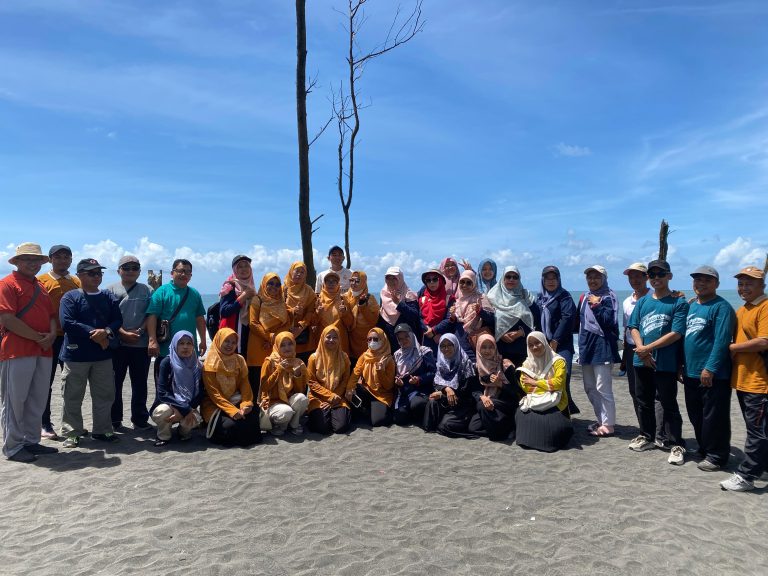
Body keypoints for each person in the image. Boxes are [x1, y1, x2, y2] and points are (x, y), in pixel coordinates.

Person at [627, 259, 689, 465]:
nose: (656, 278)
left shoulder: (678, 302)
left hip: (665, 362)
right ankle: (647, 435)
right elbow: (633, 326)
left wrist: (648, 348)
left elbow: (676, 333)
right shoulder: (643, 301)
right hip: (641, 360)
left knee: (668, 403)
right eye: (652, 275)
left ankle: (676, 443)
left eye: (660, 274)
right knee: (643, 400)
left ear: (669, 276)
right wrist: (641, 349)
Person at [0, 243, 58, 463]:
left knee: (37, 398)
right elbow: (7, 319)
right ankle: (13, 447)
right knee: (14, 401)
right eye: (27, 259)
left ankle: (31, 440)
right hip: (16, 350)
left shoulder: (40, 286)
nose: (32, 263)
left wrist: (51, 335)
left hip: (42, 350)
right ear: (17, 262)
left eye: (36, 260)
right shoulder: (7, 284)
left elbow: (51, 315)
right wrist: (39, 338)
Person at [59, 258, 123, 447]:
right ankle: (72, 432)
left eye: (99, 273)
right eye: (91, 273)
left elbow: (117, 320)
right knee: (72, 396)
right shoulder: (70, 297)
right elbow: (67, 323)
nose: (96, 276)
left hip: (103, 356)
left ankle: (102, 430)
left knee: (105, 395)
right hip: (76, 356)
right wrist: (94, 333)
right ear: (79, 275)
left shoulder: (108, 296)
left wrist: (106, 332)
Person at [682, 266, 735, 472]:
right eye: (698, 280)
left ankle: (717, 456)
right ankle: (704, 447)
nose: (701, 283)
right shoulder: (692, 306)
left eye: (707, 280)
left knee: (714, 417)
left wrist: (710, 368)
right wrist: (681, 365)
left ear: (717, 284)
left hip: (713, 374)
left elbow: (722, 340)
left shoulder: (722, 307)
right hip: (691, 372)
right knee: (696, 414)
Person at [720, 266, 768, 491]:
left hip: (759, 381)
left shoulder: (765, 306)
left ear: (762, 285)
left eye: (750, 283)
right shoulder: (743, 309)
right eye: (741, 283)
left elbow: (764, 341)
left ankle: (747, 475)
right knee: (758, 428)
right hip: (743, 379)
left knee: (756, 431)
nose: (744, 287)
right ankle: (763, 466)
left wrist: (732, 348)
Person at [37, 244, 80, 440]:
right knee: (45, 382)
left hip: (71, 338)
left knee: (72, 383)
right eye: (58, 257)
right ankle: (44, 423)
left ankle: (71, 424)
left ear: (71, 260)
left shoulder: (76, 281)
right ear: (50, 259)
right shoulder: (41, 280)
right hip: (48, 338)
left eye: (66, 257)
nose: (62, 260)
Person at [105, 255, 152, 431]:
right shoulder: (109, 290)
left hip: (141, 344)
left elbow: (152, 314)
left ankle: (139, 419)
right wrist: (123, 333)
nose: (130, 271)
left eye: (135, 268)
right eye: (126, 268)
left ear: (139, 271)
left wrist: (140, 331)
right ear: (119, 271)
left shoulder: (147, 290)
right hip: (117, 345)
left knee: (140, 384)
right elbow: (106, 316)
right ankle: (115, 420)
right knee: (114, 384)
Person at [576, 265, 620, 438]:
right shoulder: (584, 297)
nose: (592, 280)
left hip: (603, 347)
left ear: (604, 279)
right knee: (589, 387)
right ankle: (601, 420)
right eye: (590, 277)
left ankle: (608, 425)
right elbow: (579, 324)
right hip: (587, 347)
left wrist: (597, 304)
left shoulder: (609, 297)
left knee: (603, 388)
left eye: (596, 277)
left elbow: (610, 321)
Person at [146, 259, 207, 382]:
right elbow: (152, 316)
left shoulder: (194, 293)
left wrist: (203, 341)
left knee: (190, 387)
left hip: (189, 351)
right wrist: (152, 341)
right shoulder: (162, 292)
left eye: (188, 272)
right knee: (165, 388)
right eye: (181, 271)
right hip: (166, 351)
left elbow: (200, 319)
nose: (184, 274)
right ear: (172, 273)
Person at [201, 328, 261, 447]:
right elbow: (214, 393)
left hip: (234, 399)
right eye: (226, 341)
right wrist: (232, 411)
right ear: (219, 341)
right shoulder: (209, 363)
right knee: (230, 426)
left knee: (252, 414)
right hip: (213, 404)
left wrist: (246, 403)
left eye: (233, 342)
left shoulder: (239, 360)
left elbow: (244, 384)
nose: (230, 345)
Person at [515, 332, 574, 452]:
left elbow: (558, 383)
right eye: (530, 345)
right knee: (521, 415)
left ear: (544, 343)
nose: (534, 347)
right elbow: (526, 387)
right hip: (536, 400)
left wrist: (536, 382)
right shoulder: (527, 363)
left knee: (555, 424)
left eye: (537, 343)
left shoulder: (558, 361)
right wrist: (548, 385)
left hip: (556, 402)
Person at [534, 265, 578, 414]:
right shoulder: (539, 298)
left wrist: (556, 340)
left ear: (559, 280)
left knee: (563, 376)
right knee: (546, 377)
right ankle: (550, 410)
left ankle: (565, 411)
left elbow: (568, 318)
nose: (551, 281)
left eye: (554, 278)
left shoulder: (564, 296)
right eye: (547, 278)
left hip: (562, 344)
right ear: (543, 280)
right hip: (543, 344)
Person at [150, 331, 204, 447]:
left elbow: (200, 393)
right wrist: (182, 409)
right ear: (175, 345)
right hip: (169, 404)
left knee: (194, 419)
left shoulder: (198, 366)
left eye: (189, 343)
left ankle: (183, 432)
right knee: (161, 412)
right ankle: (164, 435)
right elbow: (162, 392)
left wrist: (188, 409)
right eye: (181, 343)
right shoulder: (166, 363)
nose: (185, 347)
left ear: (193, 346)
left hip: (189, 405)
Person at [246, 272, 292, 394]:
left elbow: (286, 324)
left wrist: (274, 339)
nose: (274, 287)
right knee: (257, 382)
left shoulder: (281, 301)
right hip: (258, 345)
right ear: (264, 284)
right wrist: (269, 337)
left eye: (277, 284)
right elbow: (253, 323)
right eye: (270, 283)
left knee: (274, 380)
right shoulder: (257, 300)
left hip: (275, 346)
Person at [424, 333, 477, 437]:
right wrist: (446, 389)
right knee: (432, 403)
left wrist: (442, 394)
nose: (446, 349)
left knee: (445, 426)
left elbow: (465, 391)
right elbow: (436, 383)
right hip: (447, 401)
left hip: (462, 403)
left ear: (456, 345)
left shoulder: (465, 364)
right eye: (443, 346)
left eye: (449, 345)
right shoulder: (441, 363)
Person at [467, 334, 518, 441]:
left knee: (481, 406)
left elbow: (515, 392)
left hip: (504, 404)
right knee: (473, 427)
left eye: (491, 347)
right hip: (487, 403)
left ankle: (498, 434)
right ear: (478, 348)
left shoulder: (505, 365)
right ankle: (504, 428)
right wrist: (482, 397)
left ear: (495, 347)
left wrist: (500, 384)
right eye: (484, 347)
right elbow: (474, 389)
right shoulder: (476, 367)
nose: (487, 350)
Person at [306, 325, 353, 434]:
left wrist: (334, 397)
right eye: (328, 337)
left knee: (341, 427)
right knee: (322, 428)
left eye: (335, 337)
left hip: (338, 396)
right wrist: (329, 396)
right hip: (318, 397)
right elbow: (311, 382)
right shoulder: (314, 358)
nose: (331, 340)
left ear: (339, 339)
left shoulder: (344, 357)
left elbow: (345, 380)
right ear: (322, 338)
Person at [259, 331, 309, 436]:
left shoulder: (298, 362)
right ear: (277, 346)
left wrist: (297, 375)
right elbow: (264, 387)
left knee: (302, 399)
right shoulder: (269, 362)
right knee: (286, 412)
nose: (287, 348)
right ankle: (278, 425)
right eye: (282, 345)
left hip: (289, 400)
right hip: (273, 402)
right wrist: (279, 370)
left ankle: (294, 424)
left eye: (290, 344)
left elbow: (300, 390)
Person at [486, 265, 536, 367]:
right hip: (500, 349)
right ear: (503, 279)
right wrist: (501, 333)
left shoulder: (526, 297)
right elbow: (488, 322)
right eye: (508, 276)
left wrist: (521, 332)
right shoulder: (492, 297)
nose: (511, 279)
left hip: (522, 350)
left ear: (519, 279)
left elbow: (536, 321)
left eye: (515, 277)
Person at [350, 327, 396, 427]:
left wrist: (380, 371)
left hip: (381, 395)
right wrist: (350, 389)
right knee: (351, 390)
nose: (372, 342)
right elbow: (355, 373)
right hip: (367, 389)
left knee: (376, 422)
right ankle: (367, 409)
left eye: (375, 339)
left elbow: (388, 386)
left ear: (382, 340)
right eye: (369, 339)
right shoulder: (364, 356)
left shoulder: (388, 360)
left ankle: (381, 411)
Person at [392, 323, 436, 426]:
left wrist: (419, 379)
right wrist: (399, 383)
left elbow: (433, 372)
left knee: (417, 404)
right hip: (404, 392)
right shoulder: (397, 355)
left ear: (412, 335)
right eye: (400, 339)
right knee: (399, 419)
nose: (403, 340)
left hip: (420, 390)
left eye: (406, 336)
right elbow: (397, 376)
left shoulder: (424, 351)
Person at [450, 270, 494, 362]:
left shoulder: (480, 297)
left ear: (474, 284)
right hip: (460, 336)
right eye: (462, 282)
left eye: (469, 282)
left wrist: (480, 311)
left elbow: (491, 318)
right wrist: (452, 316)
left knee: (473, 360)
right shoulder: (457, 300)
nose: (464, 285)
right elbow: (453, 321)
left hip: (475, 336)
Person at [376, 266, 421, 352]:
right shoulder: (384, 294)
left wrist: (399, 303)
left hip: (406, 340)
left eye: (394, 278)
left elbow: (414, 316)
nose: (391, 281)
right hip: (389, 339)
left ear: (400, 279)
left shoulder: (408, 294)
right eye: (388, 278)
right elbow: (382, 316)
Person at [219, 255, 256, 355]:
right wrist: (243, 296)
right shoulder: (230, 286)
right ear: (235, 270)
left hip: (246, 334)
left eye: (246, 266)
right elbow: (224, 311)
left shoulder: (251, 287)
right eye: (240, 266)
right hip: (231, 336)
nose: (244, 269)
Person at [344, 271, 381, 365]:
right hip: (351, 339)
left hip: (365, 339)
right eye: (351, 280)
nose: (353, 283)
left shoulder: (370, 298)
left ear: (364, 282)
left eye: (357, 281)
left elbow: (373, 320)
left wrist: (363, 306)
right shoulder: (346, 297)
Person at [283, 261, 317, 362]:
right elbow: (277, 308)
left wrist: (300, 327)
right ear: (291, 271)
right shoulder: (283, 289)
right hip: (284, 332)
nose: (299, 274)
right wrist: (293, 311)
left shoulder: (309, 291)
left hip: (303, 336)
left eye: (302, 272)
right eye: (297, 271)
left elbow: (311, 311)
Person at [312, 271, 353, 354]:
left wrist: (345, 313)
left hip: (340, 340)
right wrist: (318, 313)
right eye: (328, 281)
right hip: (323, 340)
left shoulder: (343, 299)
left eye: (334, 281)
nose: (331, 283)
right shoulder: (317, 300)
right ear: (324, 284)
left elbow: (350, 323)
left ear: (338, 284)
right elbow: (312, 323)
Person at [418, 269, 455, 355]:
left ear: (441, 280)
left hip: (444, 337)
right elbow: (419, 318)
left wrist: (434, 331)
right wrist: (430, 331)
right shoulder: (422, 299)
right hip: (426, 337)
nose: (431, 282)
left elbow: (449, 319)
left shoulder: (449, 298)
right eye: (428, 280)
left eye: (435, 279)